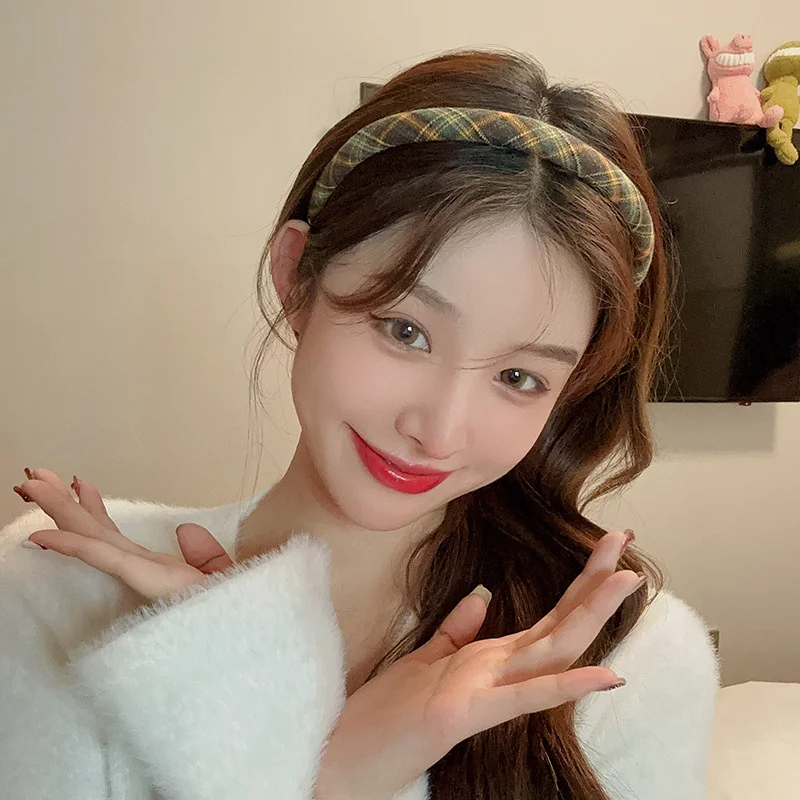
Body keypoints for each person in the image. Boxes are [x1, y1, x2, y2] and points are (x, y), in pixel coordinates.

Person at [0, 48, 719, 800]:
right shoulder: (59, 591)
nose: (439, 431)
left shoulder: (630, 660)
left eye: (518, 378)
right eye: (406, 330)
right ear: (296, 276)